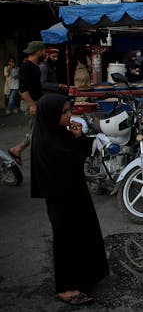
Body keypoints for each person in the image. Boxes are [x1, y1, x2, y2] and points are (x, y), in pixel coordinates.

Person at [31, 94, 109, 305]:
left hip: (74, 192)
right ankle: (65, 288)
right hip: (61, 196)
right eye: (64, 112)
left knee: (82, 233)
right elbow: (73, 160)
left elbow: (78, 155)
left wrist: (78, 138)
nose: (69, 115)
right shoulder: (45, 142)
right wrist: (77, 142)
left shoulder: (57, 133)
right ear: (51, 115)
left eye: (68, 110)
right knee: (66, 239)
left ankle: (86, 277)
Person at [7, 41, 46, 164]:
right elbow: (23, 90)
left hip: (35, 102)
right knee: (37, 133)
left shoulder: (34, 66)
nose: (44, 53)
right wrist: (32, 105)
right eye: (43, 50)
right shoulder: (27, 67)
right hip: (31, 103)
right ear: (38, 51)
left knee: (39, 131)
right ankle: (17, 149)